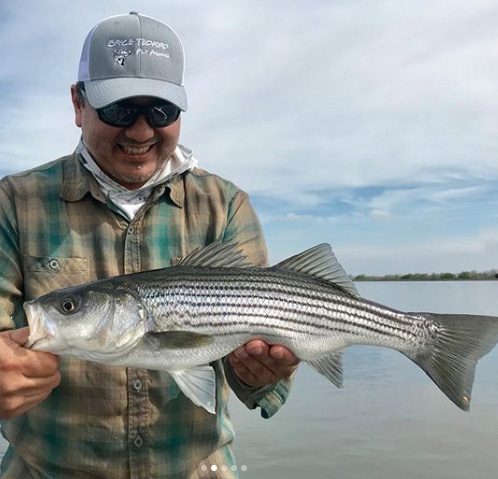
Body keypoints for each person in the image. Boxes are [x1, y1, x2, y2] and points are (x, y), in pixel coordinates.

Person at [0, 12, 298, 479]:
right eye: (119, 109)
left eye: (161, 112)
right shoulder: (12, 202)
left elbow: (259, 363)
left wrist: (262, 373)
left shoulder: (227, 205)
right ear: (78, 104)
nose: (140, 132)